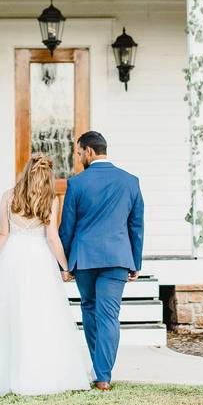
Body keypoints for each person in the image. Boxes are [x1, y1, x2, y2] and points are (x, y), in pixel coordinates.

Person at [0, 153, 92, 396]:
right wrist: (66, 266)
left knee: (12, 315)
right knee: (42, 314)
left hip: (13, 258)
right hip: (39, 260)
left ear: (26, 172)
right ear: (47, 176)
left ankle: (8, 375)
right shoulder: (50, 199)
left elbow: (2, 234)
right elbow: (52, 238)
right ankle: (41, 372)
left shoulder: (9, 196)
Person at [59, 131, 145, 391]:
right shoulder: (130, 181)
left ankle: (101, 370)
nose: (78, 157)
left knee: (90, 310)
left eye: (78, 152)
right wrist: (136, 262)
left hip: (84, 258)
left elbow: (67, 228)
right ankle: (103, 375)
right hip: (118, 258)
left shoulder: (76, 184)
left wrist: (63, 264)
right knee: (109, 316)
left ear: (89, 151)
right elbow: (137, 225)